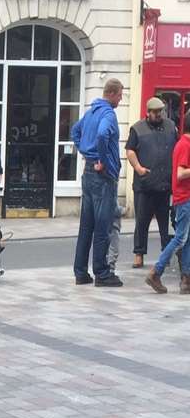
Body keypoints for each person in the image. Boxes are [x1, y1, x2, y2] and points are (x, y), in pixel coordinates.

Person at [70, 78, 124, 287]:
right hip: (103, 176)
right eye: (120, 95)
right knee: (102, 226)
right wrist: (101, 159)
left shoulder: (91, 111)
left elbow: (76, 131)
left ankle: (80, 272)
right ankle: (102, 273)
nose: (120, 99)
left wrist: (85, 151)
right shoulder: (108, 114)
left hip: (88, 173)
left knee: (86, 226)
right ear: (112, 94)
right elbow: (102, 135)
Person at [126, 96, 178, 268]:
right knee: (142, 220)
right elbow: (130, 150)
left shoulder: (171, 126)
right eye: (155, 112)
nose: (158, 114)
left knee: (166, 222)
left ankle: (166, 252)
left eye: (160, 111)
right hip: (144, 184)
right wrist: (139, 168)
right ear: (147, 112)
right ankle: (139, 254)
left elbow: (177, 148)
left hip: (165, 183)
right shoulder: (137, 129)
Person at [147, 119, 190, 296]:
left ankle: (186, 278)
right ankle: (156, 272)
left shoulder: (183, 143)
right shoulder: (185, 145)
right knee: (180, 238)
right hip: (185, 199)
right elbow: (181, 174)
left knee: (187, 239)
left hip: (185, 198)